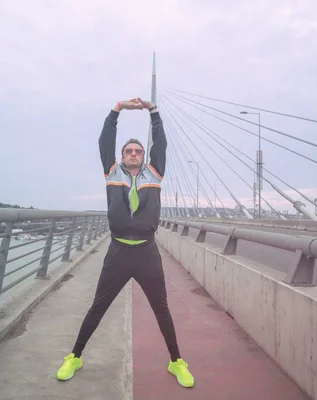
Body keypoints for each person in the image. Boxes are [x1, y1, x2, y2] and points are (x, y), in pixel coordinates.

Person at [56, 98, 195, 388]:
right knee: (98, 307)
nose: (133, 154)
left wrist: (153, 112)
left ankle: (176, 361)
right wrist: (117, 109)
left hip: (147, 252)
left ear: (144, 157)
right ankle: (75, 356)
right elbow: (105, 139)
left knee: (162, 310)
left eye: (138, 151)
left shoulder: (155, 173)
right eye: (129, 151)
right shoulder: (112, 172)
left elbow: (162, 145)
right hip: (118, 252)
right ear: (122, 156)